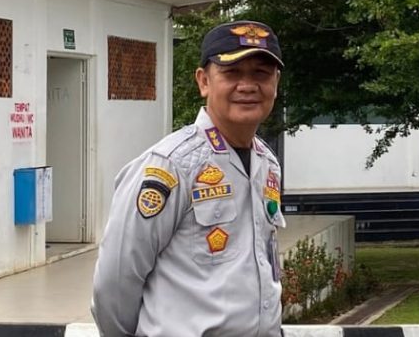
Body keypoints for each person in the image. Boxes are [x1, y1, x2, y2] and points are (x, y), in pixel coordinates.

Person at [92, 20, 287, 337]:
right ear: (204, 81)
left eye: (261, 74)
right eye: (232, 73)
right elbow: (115, 282)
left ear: (275, 83)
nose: (248, 85)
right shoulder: (170, 166)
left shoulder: (267, 164)